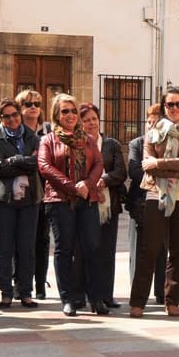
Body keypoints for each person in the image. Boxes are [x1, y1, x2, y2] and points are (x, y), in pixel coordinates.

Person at [129, 88, 179, 318]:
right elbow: (145, 164)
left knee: (178, 251)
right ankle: (138, 301)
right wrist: (172, 167)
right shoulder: (152, 132)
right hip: (156, 193)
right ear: (163, 107)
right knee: (149, 249)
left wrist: (159, 164)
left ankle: (172, 300)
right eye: (169, 105)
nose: (174, 109)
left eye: (178, 105)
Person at [37, 93, 107, 317]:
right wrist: (72, 186)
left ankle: (96, 298)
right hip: (60, 200)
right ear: (56, 115)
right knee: (64, 249)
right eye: (64, 111)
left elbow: (98, 163)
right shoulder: (48, 139)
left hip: (87, 199)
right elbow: (45, 167)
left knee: (93, 248)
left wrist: (87, 184)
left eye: (73, 111)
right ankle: (67, 298)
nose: (70, 115)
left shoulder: (87, 139)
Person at [0, 98, 41, 309]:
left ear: (20, 114)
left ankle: (25, 292)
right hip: (3, 198)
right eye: (6, 116)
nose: (12, 119)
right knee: (5, 247)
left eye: (15, 115)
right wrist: (23, 161)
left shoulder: (33, 136)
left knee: (27, 247)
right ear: (0, 118)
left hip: (30, 197)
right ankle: (6, 293)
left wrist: (14, 161)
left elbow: (38, 163)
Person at [73, 103, 126, 309]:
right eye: (86, 120)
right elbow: (76, 172)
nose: (91, 123)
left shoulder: (111, 144)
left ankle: (106, 295)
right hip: (85, 204)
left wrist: (104, 180)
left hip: (109, 205)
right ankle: (80, 294)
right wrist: (92, 186)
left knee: (106, 250)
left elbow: (121, 172)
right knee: (83, 250)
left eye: (94, 119)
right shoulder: (77, 143)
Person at [126, 104, 165, 305]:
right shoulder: (136, 144)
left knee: (161, 249)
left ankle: (161, 291)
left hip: (164, 201)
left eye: (156, 122)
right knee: (139, 249)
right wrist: (160, 174)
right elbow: (133, 170)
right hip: (140, 202)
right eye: (149, 122)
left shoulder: (169, 143)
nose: (152, 125)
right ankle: (137, 292)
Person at [17, 89, 51, 300]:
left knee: (42, 239)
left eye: (37, 104)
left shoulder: (48, 131)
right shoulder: (15, 131)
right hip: (21, 192)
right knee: (20, 239)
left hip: (44, 192)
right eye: (28, 103)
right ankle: (21, 281)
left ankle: (40, 283)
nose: (33, 107)